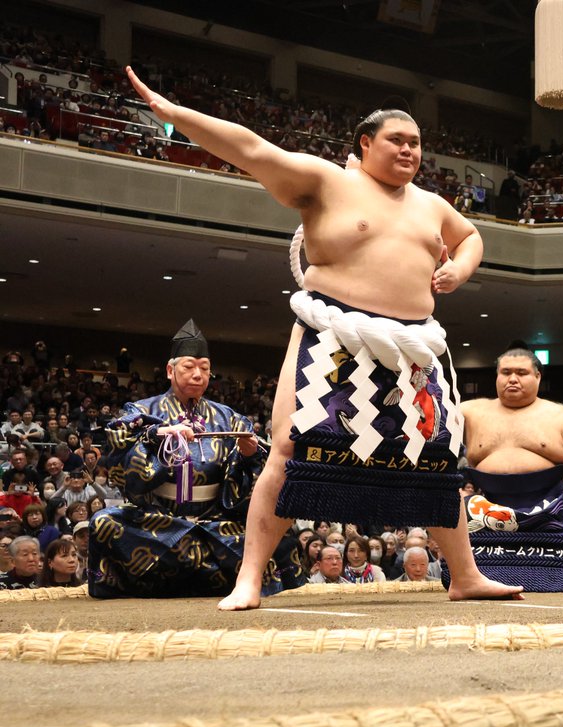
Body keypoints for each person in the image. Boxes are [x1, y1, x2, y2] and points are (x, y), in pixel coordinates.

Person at [123, 67, 522, 610]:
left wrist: (460, 270)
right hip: (333, 337)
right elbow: (252, 148)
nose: (409, 150)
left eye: (416, 143)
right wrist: (175, 115)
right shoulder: (328, 182)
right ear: (365, 142)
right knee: (290, 450)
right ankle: (250, 580)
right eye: (396, 141)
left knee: (435, 458)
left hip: (415, 348)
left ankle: (465, 575)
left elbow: (471, 235)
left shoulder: (431, 204)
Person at [88, 321, 305, 600]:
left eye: (204, 368)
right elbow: (117, 440)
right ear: (170, 370)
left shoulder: (229, 417)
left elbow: (252, 480)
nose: (198, 375)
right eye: (189, 367)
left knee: (277, 529)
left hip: (217, 522)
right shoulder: (143, 410)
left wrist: (249, 454)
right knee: (104, 523)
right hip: (160, 522)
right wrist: (159, 433)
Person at [457, 347, 563, 591]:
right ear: (496, 376)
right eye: (506, 372)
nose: (512, 378)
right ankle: (466, 573)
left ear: (538, 377)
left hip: (551, 503)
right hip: (487, 505)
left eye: (522, 372)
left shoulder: (562, 416)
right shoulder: (469, 412)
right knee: (446, 502)